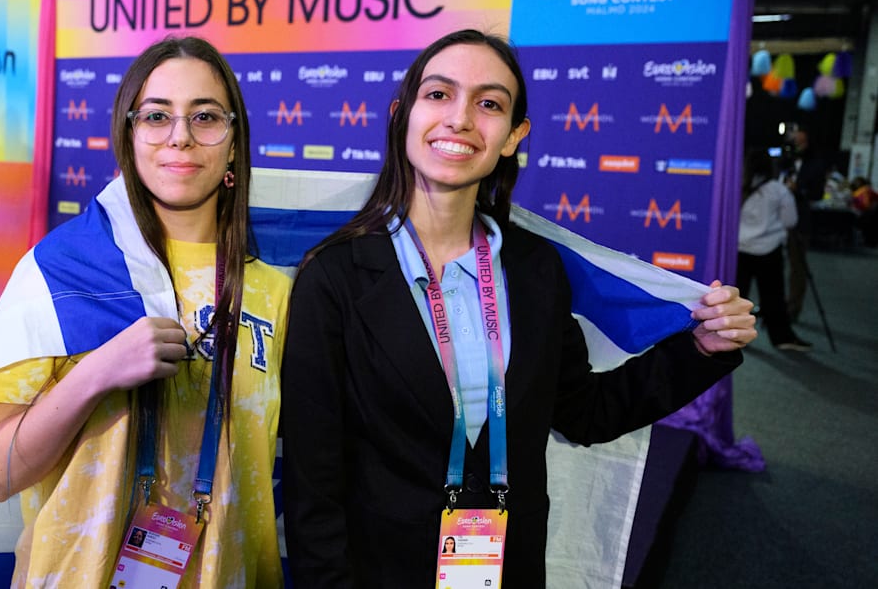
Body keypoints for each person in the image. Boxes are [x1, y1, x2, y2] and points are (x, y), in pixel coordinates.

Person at [279, 29, 756, 587]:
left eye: (489, 104)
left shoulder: (536, 269)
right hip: (379, 572)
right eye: (438, 94)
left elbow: (585, 413)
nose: (460, 119)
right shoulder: (333, 277)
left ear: (512, 136)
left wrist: (700, 351)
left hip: (508, 564)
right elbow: (313, 480)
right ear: (401, 114)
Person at [0, 36, 291, 587]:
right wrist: (97, 373)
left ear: (233, 144)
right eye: (156, 116)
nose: (180, 136)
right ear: (129, 136)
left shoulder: (273, 289)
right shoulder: (62, 271)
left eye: (205, 116)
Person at [737, 148, 811, 352]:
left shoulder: (738, 188)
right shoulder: (778, 190)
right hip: (769, 250)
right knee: (773, 297)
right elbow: (790, 221)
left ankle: (732, 337)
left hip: (740, 249)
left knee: (737, 296)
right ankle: (781, 337)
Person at [780, 125, 827, 319]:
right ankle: (775, 305)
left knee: (797, 267)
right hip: (775, 221)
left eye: (801, 142)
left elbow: (817, 194)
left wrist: (798, 188)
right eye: (795, 141)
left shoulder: (816, 164)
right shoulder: (787, 161)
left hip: (799, 223)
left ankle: (793, 307)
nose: (797, 145)